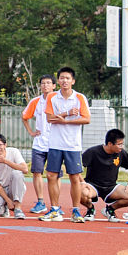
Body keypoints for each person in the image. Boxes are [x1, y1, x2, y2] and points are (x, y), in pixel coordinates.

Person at [39, 67, 90, 222]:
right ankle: (54, 209)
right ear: (58, 80)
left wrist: (67, 121)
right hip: (55, 143)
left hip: (73, 145)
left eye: (67, 78)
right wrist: (66, 115)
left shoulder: (79, 98)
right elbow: (49, 119)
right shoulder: (52, 98)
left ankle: (76, 210)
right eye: (61, 78)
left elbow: (86, 119)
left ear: (73, 81)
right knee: (51, 175)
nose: (64, 81)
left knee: (74, 177)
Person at [79, 128, 128, 222]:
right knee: (80, 191)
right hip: (92, 185)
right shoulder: (93, 152)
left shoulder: (121, 153)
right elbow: (76, 167)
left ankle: (110, 210)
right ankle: (90, 209)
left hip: (111, 187)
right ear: (110, 144)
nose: (121, 147)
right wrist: (82, 182)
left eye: (122, 144)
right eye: (119, 144)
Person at [20, 74, 55, 214]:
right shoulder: (36, 101)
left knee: (55, 174)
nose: (45, 85)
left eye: (48, 83)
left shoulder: (59, 100)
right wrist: (31, 132)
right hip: (39, 143)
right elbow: (24, 117)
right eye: (43, 83)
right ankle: (40, 201)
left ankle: (55, 205)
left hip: (55, 143)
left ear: (54, 85)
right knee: (37, 172)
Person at [0, 134, 28, 219]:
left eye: (0, 145)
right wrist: (8, 201)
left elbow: (25, 169)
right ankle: (4, 207)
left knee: (17, 173)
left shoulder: (14, 152)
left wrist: (5, 161)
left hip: (13, 187)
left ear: (5, 145)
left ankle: (18, 209)